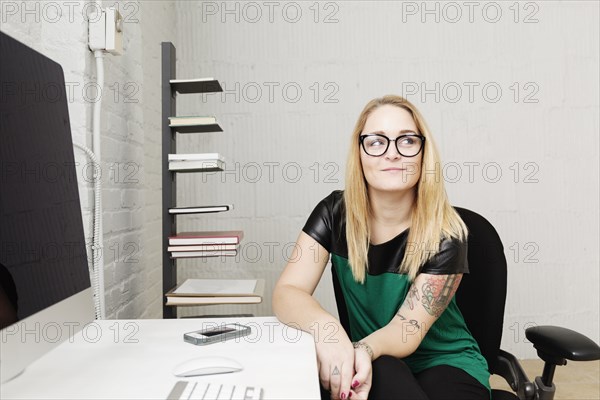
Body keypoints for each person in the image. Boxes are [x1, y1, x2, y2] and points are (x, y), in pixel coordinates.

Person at [272, 95, 490, 400]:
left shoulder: (447, 232)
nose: (392, 154)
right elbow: (288, 290)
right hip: (379, 359)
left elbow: (408, 329)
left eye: (407, 141)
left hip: (447, 361)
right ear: (359, 153)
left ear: (423, 153)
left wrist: (361, 349)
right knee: (385, 372)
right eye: (376, 142)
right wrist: (329, 332)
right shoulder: (335, 214)